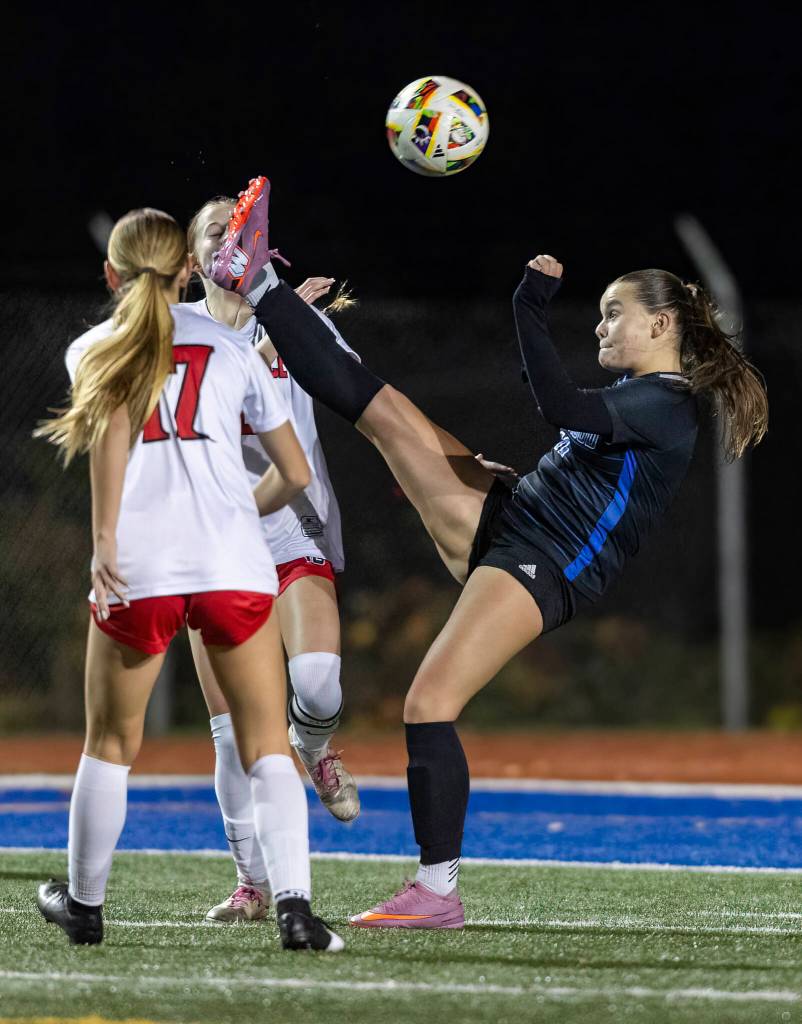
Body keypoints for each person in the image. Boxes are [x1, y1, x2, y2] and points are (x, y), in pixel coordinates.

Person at [210, 176, 769, 930]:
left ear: (662, 324)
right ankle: (262, 283)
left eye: (614, 315)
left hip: (545, 560)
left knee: (428, 702)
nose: (601, 328)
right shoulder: (648, 396)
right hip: (516, 520)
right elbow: (575, 444)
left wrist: (527, 308)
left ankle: (437, 891)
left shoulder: (666, 405)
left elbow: (559, 407)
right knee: (383, 411)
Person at [33, 206, 344, 952]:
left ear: (110, 274)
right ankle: (297, 913)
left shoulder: (91, 348)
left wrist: (104, 539)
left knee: (110, 743)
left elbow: (110, 436)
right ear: (187, 271)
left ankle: (85, 907)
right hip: (232, 564)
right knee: (268, 741)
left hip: (140, 566)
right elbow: (293, 471)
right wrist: (237, 510)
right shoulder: (234, 346)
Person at [185, 197, 359, 924]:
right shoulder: (177, 335)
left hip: (292, 528)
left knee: (316, 686)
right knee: (229, 737)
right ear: (194, 257)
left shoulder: (293, 319)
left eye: (241, 227)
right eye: (215, 231)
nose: (231, 237)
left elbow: (362, 398)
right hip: (214, 541)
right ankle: (252, 884)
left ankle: (311, 745)